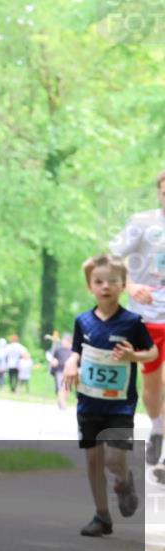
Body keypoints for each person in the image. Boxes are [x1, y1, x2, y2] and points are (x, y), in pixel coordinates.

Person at [62, 253, 157, 537]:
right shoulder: (82, 321)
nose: (106, 286)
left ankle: (124, 481)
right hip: (89, 402)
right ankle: (102, 516)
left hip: (120, 405)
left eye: (113, 281)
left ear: (123, 285)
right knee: (93, 459)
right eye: (99, 281)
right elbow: (76, 350)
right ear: (90, 286)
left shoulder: (132, 322)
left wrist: (133, 356)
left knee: (114, 459)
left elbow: (152, 352)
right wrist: (71, 362)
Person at [109, 170, 165, 465]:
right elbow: (112, 255)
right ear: (159, 193)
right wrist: (130, 286)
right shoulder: (142, 223)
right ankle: (158, 427)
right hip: (147, 317)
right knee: (152, 387)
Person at [50, 333, 73, 410]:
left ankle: (61, 401)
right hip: (59, 370)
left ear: (69, 341)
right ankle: (63, 403)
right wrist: (53, 360)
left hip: (69, 372)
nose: (64, 342)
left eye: (65, 341)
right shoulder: (58, 349)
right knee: (61, 387)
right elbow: (52, 357)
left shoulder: (73, 351)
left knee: (67, 388)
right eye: (63, 340)